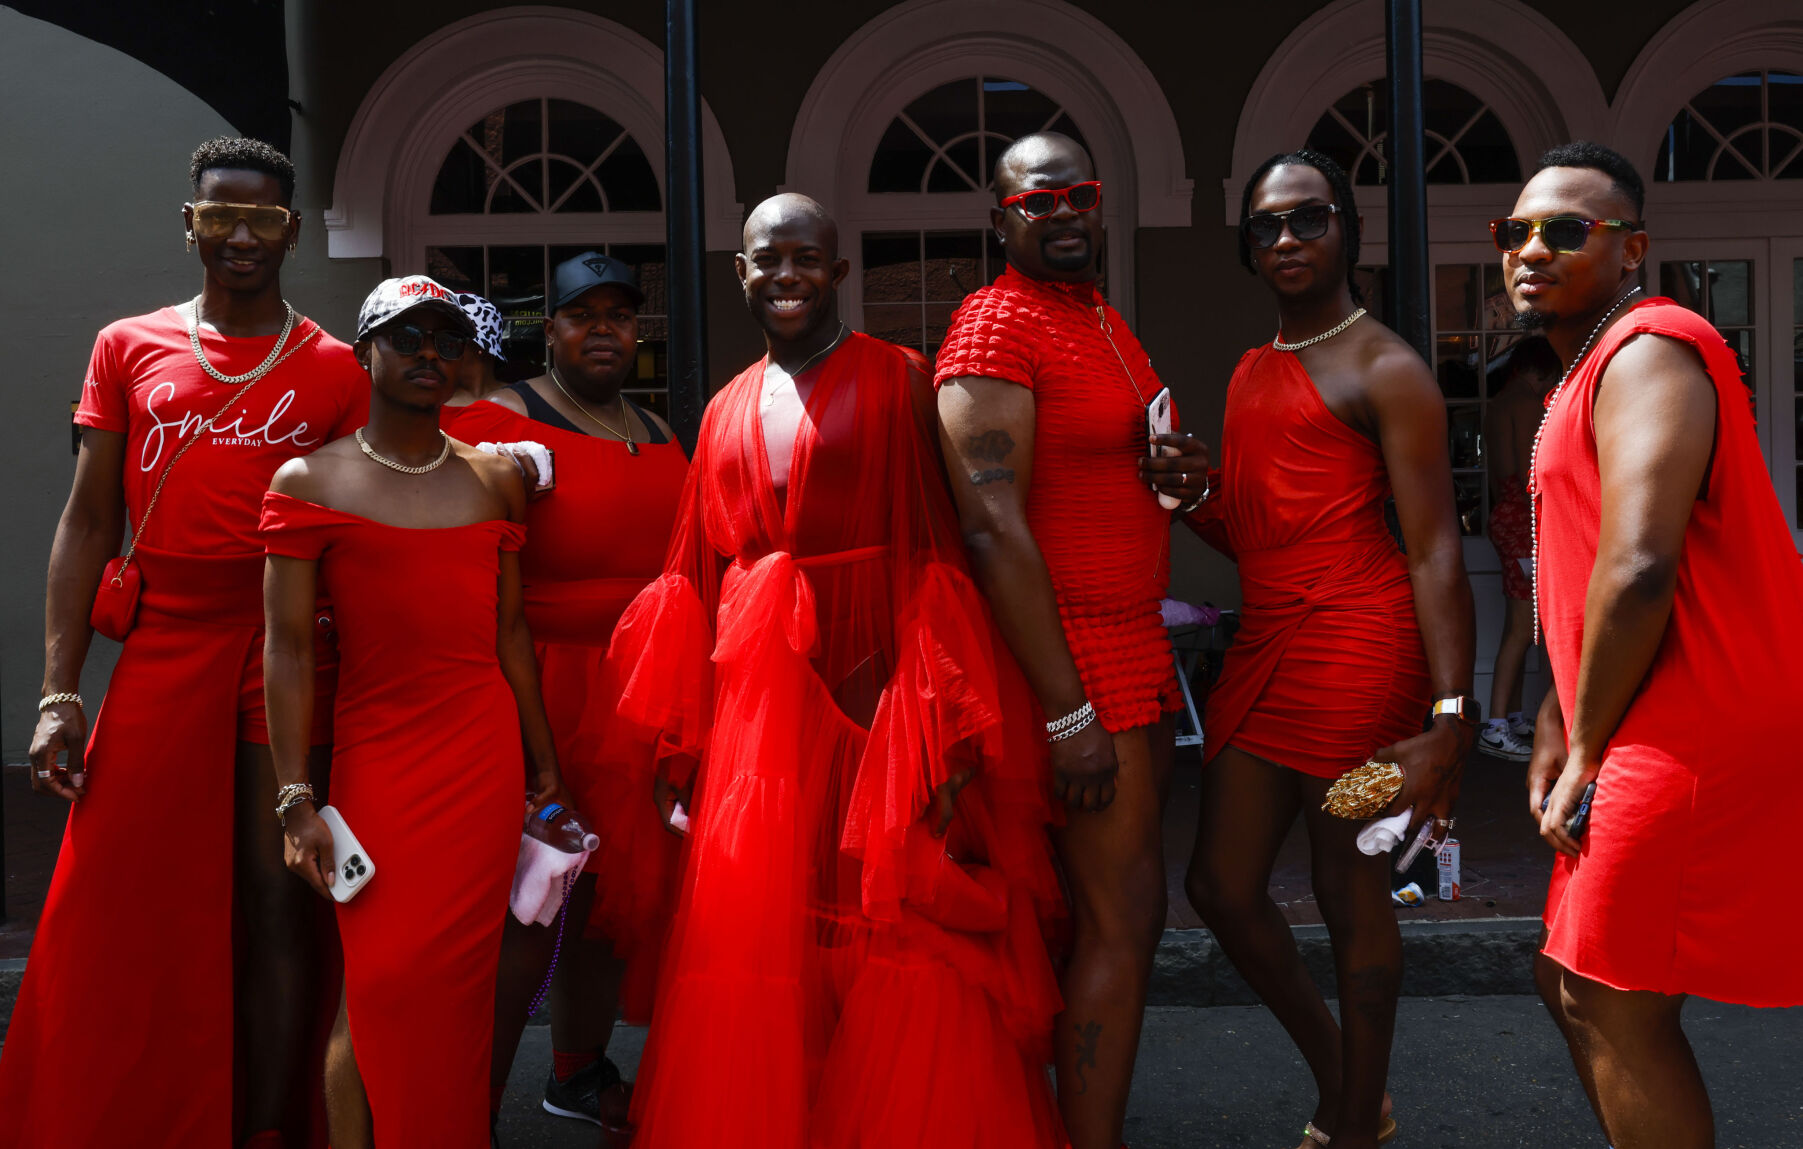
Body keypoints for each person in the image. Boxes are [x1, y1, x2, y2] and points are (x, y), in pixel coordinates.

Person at [613, 193, 1064, 1149]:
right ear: (739, 272)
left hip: (880, 691)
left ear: (839, 272)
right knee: (780, 925)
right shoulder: (725, 402)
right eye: (766, 258)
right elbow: (692, 569)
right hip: (760, 713)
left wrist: (939, 719)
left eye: (805, 258)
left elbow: (944, 547)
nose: (785, 275)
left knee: (889, 905)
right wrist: (681, 737)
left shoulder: (901, 379)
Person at [0, 136, 367, 1149]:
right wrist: (58, 692)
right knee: (123, 891)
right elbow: (86, 523)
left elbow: (362, 528)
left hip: (288, 645)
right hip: (164, 641)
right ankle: (130, 1115)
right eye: (219, 218)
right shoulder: (129, 346)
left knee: (277, 898)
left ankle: (265, 1128)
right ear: (190, 223)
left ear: (290, 230)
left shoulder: (336, 368)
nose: (239, 237)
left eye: (260, 219)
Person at [1508, 142, 1803, 1149]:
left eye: (1564, 230)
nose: (1530, 250)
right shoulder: (1594, 364)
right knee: (1569, 977)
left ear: (1631, 248)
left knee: (1614, 994)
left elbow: (1638, 566)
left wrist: (1585, 745)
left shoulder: (1650, 349)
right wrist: (1557, 710)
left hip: (1690, 718)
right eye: (1516, 233)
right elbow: (1584, 570)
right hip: (1644, 708)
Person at [1182, 148, 1475, 1149]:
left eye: (1307, 219)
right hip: (1266, 655)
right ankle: (1346, 1074)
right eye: (1265, 227)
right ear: (1248, 249)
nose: (1287, 240)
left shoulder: (1388, 366)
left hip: (1361, 654)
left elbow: (1434, 546)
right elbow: (1258, 533)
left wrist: (1450, 713)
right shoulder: (1251, 368)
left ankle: (1355, 1118)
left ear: (1346, 226)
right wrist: (1198, 500)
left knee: (1350, 884)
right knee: (1219, 887)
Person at [934, 132, 1207, 1149]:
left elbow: (1104, 473)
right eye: (1035, 199)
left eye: (1078, 195)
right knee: (1116, 921)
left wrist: (1174, 474)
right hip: (1070, 662)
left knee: (1118, 918)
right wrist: (1069, 711)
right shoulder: (995, 326)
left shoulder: (1095, 317)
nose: (1061, 214)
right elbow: (991, 525)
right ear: (1001, 217)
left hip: (1130, 648)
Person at [261, 275, 566, 1148]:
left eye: (448, 341)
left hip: (480, 760)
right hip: (379, 761)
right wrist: (294, 799)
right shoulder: (309, 479)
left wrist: (543, 763)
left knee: (456, 991)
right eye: (407, 338)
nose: (430, 355)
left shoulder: (496, 476)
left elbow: (510, 633)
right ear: (365, 353)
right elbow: (285, 649)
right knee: (380, 984)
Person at [463, 252, 687, 1141]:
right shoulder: (495, 421)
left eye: (620, 316)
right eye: (580, 315)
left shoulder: (658, 428)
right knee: (528, 902)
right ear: (546, 329)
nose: (603, 330)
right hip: (538, 686)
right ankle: (465, 1106)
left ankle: (576, 1072)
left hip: (640, 690)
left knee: (606, 901)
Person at [1478, 335, 1561, 762]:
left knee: (1524, 622)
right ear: (1538, 372)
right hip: (1523, 516)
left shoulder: (1497, 405)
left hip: (1503, 514)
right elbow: (1539, 467)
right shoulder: (1528, 404)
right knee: (1521, 625)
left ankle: (1508, 715)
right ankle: (1494, 725)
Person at [439, 291, 508, 431]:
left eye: (451, 340)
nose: (438, 350)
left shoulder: (520, 401)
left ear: (480, 348)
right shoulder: (433, 405)